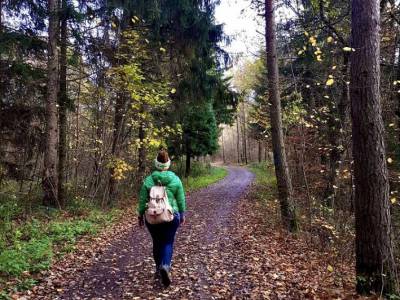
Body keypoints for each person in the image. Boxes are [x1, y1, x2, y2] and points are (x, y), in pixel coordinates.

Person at [137, 149, 186, 287]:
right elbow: (181, 199)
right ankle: (165, 266)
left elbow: (142, 200)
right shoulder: (175, 179)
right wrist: (182, 214)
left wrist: (140, 215)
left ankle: (159, 268)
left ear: (156, 164)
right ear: (168, 164)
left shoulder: (148, 180)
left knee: (157, 242)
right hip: (171, 216)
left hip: (152, 217)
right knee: (168, 242)